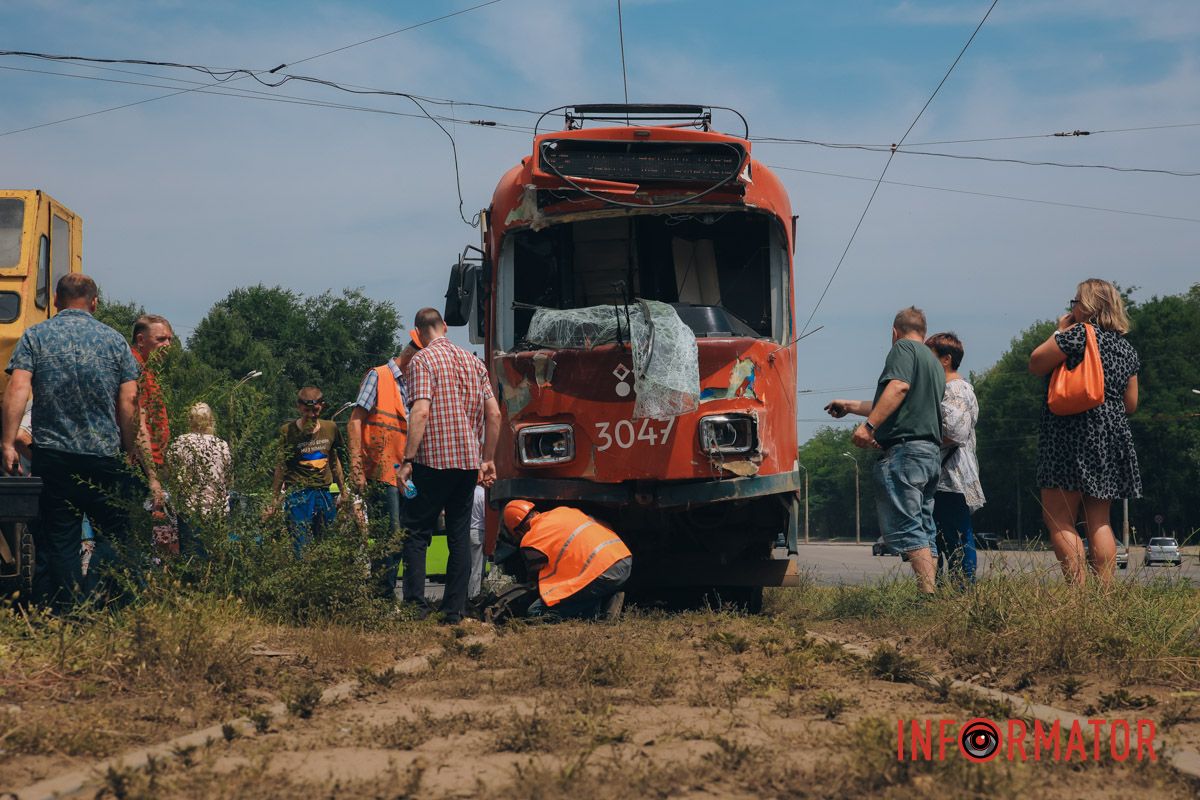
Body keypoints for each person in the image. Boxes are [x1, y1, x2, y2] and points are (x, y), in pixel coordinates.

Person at [1, 274, 142, 612]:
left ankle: (67, 612)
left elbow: (17, 389)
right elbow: (129, 402)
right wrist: (131, 447)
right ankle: (103, 602)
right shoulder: (115, 341)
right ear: (94, 302)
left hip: (54, 456)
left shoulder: (36, 336)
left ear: (55, 300)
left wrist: (7, 442)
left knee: (59, 539)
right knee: (116, 534)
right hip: (103, 457)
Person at [825, 307, 945, 594]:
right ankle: (933, 591)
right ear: (924, 332)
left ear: (894, 332)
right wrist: (851, 405)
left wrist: (868, 427)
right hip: (929, 453)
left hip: (906, 453)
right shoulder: (933, 362)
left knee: (908, 524)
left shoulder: (903, 348)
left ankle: (926, 595)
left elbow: (899, 388)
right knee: (925, 525)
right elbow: (897, 401)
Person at [1029, 278, 1141, 584]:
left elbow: (1037, 363)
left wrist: (1059, 330)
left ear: (1088, 306)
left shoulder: (1078, 334)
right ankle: (1105, 591)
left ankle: (1077, 592)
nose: (1071, 307)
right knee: (1099, 519)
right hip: (1110, 435)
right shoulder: (1126, 349)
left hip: (1069, 431)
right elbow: (1130, 404)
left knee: (1059, 516)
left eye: (1075, 302)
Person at [397, 308, 501, 624]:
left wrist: (408, 460)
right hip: (468, 464)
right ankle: (453, 611)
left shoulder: (422, 361)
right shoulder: (473, 362)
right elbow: (494, 415)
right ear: (444, 327)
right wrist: (488, 459)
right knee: (458, 534)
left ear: (417, 333)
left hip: (432, 462)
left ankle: (416, 607)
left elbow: (421, 412)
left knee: (416, 533)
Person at [347, 336, 418, 599]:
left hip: (408, 474)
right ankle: (381, 598)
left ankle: (402, 599)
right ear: (413, 356)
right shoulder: (379, 376)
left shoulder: (413, 384)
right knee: (390, 534)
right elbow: (355, 422)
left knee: (408, 536)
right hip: (383, 471)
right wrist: (356, 467)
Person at [500, 500, 631, 620]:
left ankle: (601, 606)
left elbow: (535, 580)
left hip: (602, 574)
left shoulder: (530, 540)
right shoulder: (562, 511)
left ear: (517, 531)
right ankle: (607, 595)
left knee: (536, 611)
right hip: (623, 559)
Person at [925, 332, 985, 586]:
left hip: (953, 476)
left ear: (946, 360)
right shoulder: (944, 389)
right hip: (944, 475)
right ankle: (940, 589)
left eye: (930, 358)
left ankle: (961, 590)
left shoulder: (955, 390)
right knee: (940, 536)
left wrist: (922, 441)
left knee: (958, 536)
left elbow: (956, 432)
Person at [267, 387, 347, 556]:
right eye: (307, 410)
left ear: (322, 406)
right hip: (298, 494)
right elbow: (281, 466)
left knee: (328, 544)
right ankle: (303, 580)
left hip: (324, 493)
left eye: (315, 410)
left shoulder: (330, 428)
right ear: (299, 407)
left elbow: (334, 461)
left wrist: (344, 491)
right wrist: (273, 498)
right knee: (301, 546)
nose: (311, 414)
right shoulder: (288, 431)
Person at [165, 402, 231, 558]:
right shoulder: (221, 445)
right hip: (217, 509)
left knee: (191, 555)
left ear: (190, 420)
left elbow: (168, 473)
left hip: (189, 508)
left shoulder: (180, 443)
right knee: (214, 557)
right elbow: (227, 477)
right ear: (211, 420)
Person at [130, 314, 174, 550]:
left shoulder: (147, 371)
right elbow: (137, 426)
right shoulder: (133, 371)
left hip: (149, 467)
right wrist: (153, 477)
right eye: (161, 339)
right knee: (134, 537)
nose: (168, 345)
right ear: (141, 340)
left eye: (170, 339)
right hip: (139, 469)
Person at [469, 484, 486, 600]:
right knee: (477, 567)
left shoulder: (467, 492)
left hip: (465, 531)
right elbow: (486, 515)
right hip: (478, 531)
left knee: (467, 566)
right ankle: (473, 596)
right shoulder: (482, 493)